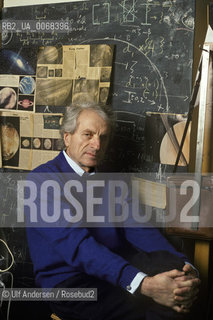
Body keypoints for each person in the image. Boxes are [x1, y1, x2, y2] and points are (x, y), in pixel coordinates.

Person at [26, 102, 200, 320]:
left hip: (112, 268)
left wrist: (186, 267)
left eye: (103, 137)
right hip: (70, 284)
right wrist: (144, 285)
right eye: (88, 134)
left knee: (175, 279)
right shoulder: (41, 181)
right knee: (155, 299)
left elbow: (140, 229)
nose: (97, 144)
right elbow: (79, 248)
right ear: (67, 137)